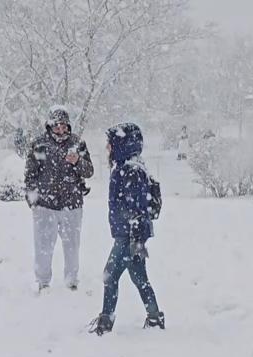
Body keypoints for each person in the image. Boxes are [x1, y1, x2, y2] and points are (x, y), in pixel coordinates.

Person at [89, 122, 164, 336]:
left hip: (129, 236)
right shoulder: (126, 167)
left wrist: (136, 239)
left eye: (110, 144)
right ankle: (155, 317)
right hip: (130, 234)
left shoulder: (130, 171)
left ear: (122, 144)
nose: (107, 148)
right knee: (139, 278)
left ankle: (105, 321)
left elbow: (137, 207)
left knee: (110, 276)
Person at [24, 107, 94, 291]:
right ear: (50, 126)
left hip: (72, 205)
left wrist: (78, 161)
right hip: (45, 205)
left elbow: (89, 171)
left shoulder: (77, 143)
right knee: (43, 247)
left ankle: (71, 282)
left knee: (72, 246)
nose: (61, 130)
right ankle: (43, 282)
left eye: (64, 126)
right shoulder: (39, 144)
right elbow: (30, 175)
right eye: (57, 127)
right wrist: (32, 200)